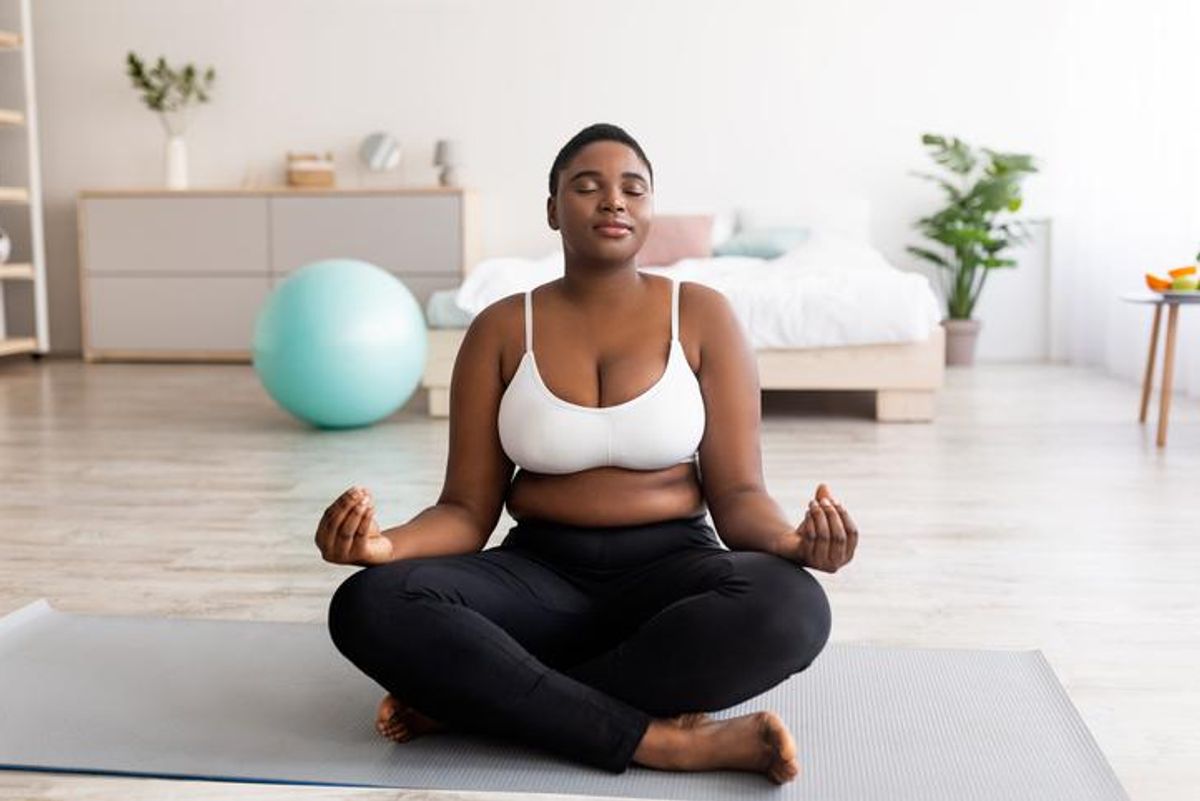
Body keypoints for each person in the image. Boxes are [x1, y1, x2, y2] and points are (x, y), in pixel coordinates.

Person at [321, 123, 858, 784]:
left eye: (633, 188)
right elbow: (465, 510)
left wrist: (796, 542)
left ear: (650, 209)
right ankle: (668, 742)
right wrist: (382, 547)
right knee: (367, 603)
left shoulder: (703, 316)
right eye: (587, 186)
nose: (614, 201)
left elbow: (740, 497)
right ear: (553, 209)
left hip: (671, 577)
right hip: (537, 578)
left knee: (793, 608)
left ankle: (480, 702)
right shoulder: (499, 327)